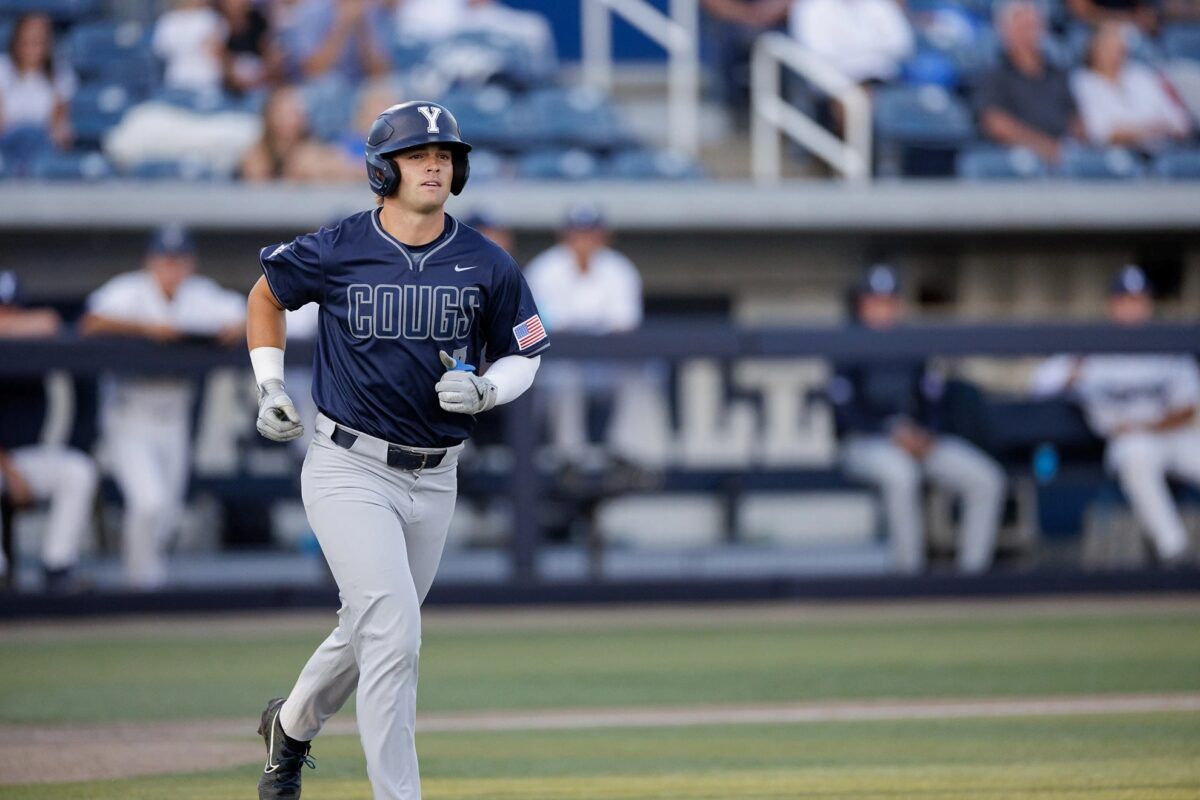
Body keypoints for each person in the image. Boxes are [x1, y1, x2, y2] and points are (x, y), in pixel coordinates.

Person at [247, 100, 547, 800]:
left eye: (444, 153)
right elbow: (266, 296)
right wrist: (268, 385)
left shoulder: (485, 260)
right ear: (384, 169)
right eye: (418, 154)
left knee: (371, 627)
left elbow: (526, 349)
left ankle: (289, 727)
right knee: (395, 638)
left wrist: (490, 392)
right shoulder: (340, 244)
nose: (435, 162)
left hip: (435, 476)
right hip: (348, 463)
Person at [80, 225, 245, 589]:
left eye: (178, 260)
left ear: (189, 263)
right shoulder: (129, 290)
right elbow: (91, 321)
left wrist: (235, 326)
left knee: (168, 513)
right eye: (165, 260)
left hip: (175, 415)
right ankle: (142, 590)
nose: (171, 268)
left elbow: (243, 312)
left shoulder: (199, 294)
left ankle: (147, 583)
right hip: (130, 412)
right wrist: (147, 329)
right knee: (148, 503)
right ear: (150, 261)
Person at [830, 265, 1006, 575]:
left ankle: (972, 576)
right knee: (902, 475)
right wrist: (894, 434)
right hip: (867, 443)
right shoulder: (847, 345)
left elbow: (934, 400)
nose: (881, 309)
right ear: (862, 305)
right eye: (874, 301)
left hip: (919, 441)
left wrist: (927, 433)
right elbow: (846, 415)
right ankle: (908, 578)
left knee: (987, 479)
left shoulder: (913, 344)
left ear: (898, 304)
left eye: (887, 301)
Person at [1031, 266, 1199, 567]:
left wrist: (1147, 424)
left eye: (1139, 300)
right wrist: (1075, 369)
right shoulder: (1096, 349)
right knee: (1137, 457)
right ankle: (1175, 551)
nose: (1133, 307)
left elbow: (1188, 407)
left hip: (1170, 434)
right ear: (1113, 304)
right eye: (1126, 300)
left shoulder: (1167, 345)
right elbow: (1039, 383)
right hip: (1128, 441)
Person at [524, 204, 655, 467]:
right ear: (565, 235)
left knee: (641, 374)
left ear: (604, 236)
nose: (584, 240)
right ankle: (569, 456)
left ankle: (624, 451)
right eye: (578, 233)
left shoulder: (619, 268)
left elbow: (625, 324)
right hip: (557, 361)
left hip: (605, 360)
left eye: (591, 233)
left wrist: (583, 329)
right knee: (564, 376)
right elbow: (544, 325)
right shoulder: (545, 268)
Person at [0, 271, 99, 593]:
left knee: (78, 471)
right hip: (3, 462)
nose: (7, 315)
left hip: (27, 454)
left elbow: (49, 322)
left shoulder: (33, 334)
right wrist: (8, 469)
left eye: (12, 308)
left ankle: (58, 567)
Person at [975, 0, 1082, 167]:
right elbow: (995, 122)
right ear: (1005, 31)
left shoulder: (1058, 72)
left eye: (1033, 26)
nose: (1029, 33)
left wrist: (1073, 142)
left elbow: (1074, 116)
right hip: (1015, 156)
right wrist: (1041, 146)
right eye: (1022, 27)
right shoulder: (994, 74)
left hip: (1064, 151)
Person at [1071, 23, 1191, 151]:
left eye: (1119, 47)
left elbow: (1180, 123)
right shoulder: (1082, 80)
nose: (1115, 53)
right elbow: (1100, 132)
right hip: (1115, 156)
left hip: (1163, 149)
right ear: (1093, 49)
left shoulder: (1143, 75)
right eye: (1108, 47)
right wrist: (1149, 129)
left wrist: (1145, 129)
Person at [0, 13, 75, 170]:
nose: (32, 48)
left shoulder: (60, 73)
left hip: (43, 148)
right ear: (16, 42)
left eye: (38, 42)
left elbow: (59, 126)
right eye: (27, 42)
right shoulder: (3, 69)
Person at [240, 86, 361, 182]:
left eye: (294, 113)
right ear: (270, 115)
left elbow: (347, 167)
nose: (289, 120)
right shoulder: (257, 153)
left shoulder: (312, 150)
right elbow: (257, 191)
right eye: (283, 113)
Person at [788, 0, 913, 85]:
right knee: (855, 96)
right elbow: (818, 51)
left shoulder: (879, 5)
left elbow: (902, 45)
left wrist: (859, 53)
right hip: (835, 79)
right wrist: (871, 52)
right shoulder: (812, 6)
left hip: (884, 78)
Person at [701, 0, 791, 117]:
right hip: (732, 23)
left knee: (790, 51)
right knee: (726, 42)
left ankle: (785, 113)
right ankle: (730, 111)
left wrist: (766, 13)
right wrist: (748, 15)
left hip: (776, 23)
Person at [153, 0, 228, 94]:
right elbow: (161, 52)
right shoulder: (167, 20)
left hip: (206, 83)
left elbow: (218, 52)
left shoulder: (212, 18)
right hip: (177, 81)